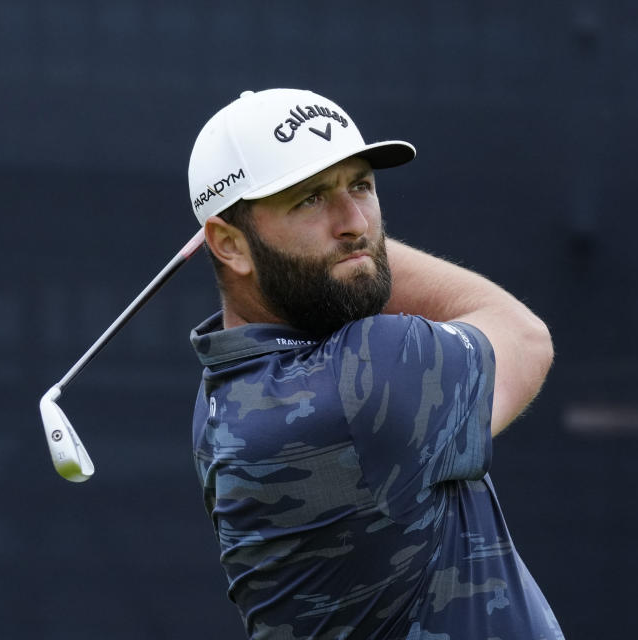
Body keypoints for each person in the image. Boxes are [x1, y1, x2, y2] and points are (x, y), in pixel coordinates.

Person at [187, 88, 563, 640]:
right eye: (309, 199)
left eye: (360, 185)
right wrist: (359, 254)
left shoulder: (219, 393)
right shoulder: (367, 376)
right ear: (229, 245)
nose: (355, 221)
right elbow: (525, 337)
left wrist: (331, 247)